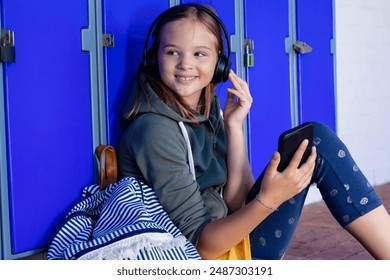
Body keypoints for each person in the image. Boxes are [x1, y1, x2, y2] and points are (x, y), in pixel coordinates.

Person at [117, 3, 390, 260]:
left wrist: (233, 126)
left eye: (199, 53)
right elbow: (200, 248)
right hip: (217, 256)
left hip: (231, 233)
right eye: (172, 52)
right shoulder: (155, 130)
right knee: (317, 141)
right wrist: (270, 199)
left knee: (313, 142)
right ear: (154, 59)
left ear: (220, 65)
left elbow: (238, 201)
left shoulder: (206, 111)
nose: (185, 64)